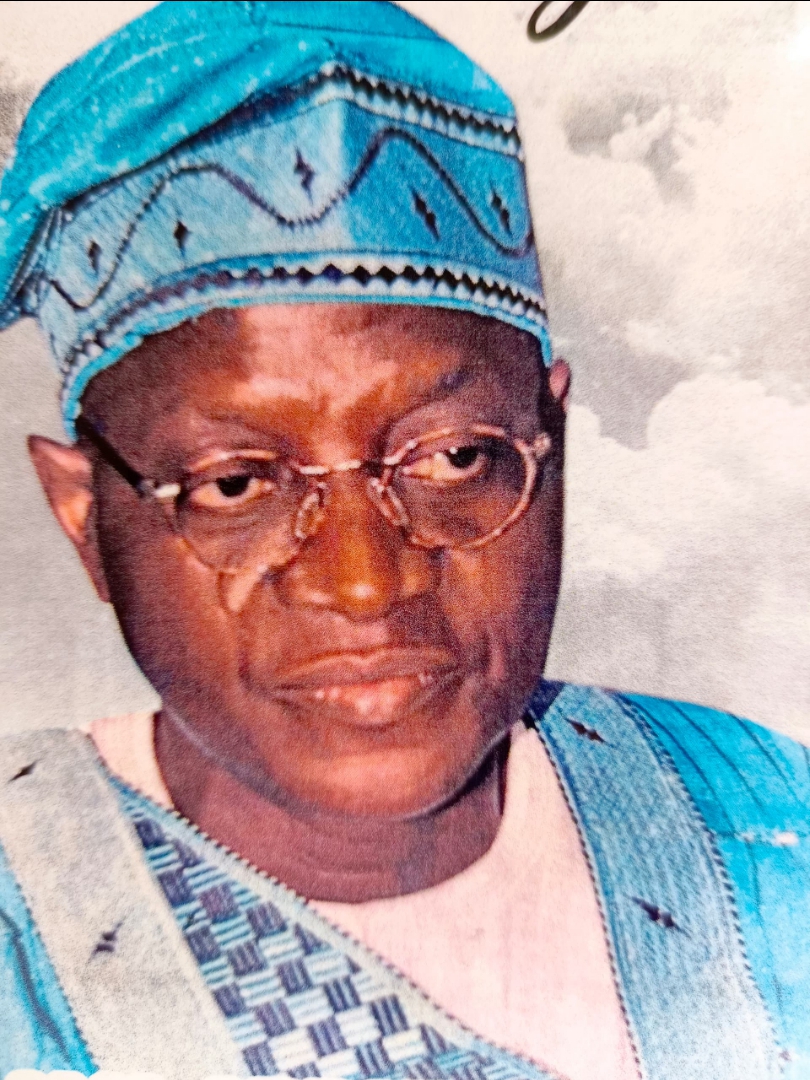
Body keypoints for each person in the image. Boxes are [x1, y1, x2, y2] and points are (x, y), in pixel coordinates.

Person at [0, 3, 807, 1079]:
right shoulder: (25, 928)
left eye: (456, 458)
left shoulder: (759, 820)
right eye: (235, 484)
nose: (365, 583)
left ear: (554, 443)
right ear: (83, 517)